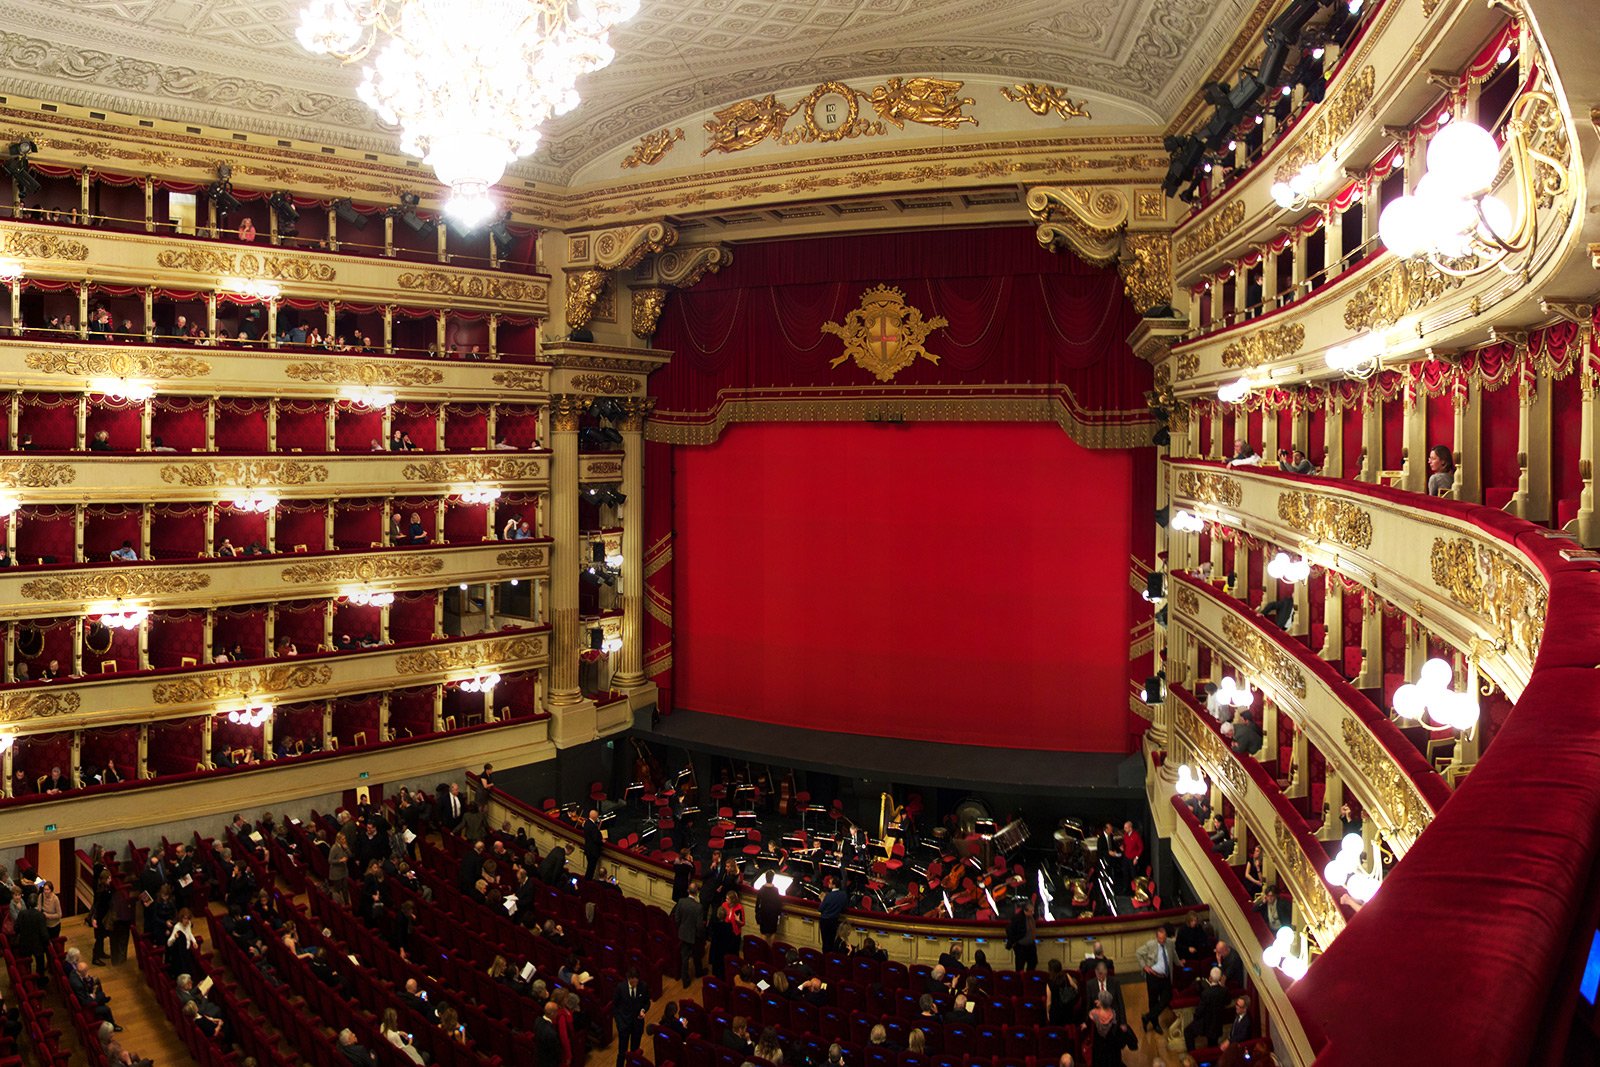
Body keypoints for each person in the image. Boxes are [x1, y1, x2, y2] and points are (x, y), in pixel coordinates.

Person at [1137, 926, 1176, 1032]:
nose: (1162, 941)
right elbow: (1138, 953)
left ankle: (1147, 1017)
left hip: (1165, 977)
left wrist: (1180, 963)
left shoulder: (1170, 943)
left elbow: (1174, 956)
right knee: (1153, 1001)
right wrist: (1144, 966)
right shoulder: (1151, 945)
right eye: (1160, 939)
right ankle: (1155, 1024)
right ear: (1156, 937)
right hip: (1153, 977)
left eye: (1163, 939)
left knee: (1166, 998)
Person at [1185, 967, 1230, 1051]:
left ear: (1210, 978)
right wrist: (1223, 987)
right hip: (1217, 1024)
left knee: (1187, 1032)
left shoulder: (1206, 993)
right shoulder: (1224, 991)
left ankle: (1193, 1055)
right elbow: (1228, 1002)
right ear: (1220, 978)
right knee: (1212, 1046)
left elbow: (1199, 1011)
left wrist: (1195, 1016)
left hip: (1205, 1024)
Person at [611, 968, 649, 1067]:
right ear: (628, 979)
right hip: (624, 1025)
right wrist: (619, 1023)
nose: (635, 984)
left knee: (634, 1053)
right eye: (633, 982)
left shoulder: (643, 986)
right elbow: (615, 1006)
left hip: (637, 1024)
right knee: (622, 1052)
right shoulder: (621, 988)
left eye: (636, 981)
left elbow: (647, 1002)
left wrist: (643, 1010)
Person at [1086, 992, 1135, 1063]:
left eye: (1099, 1000)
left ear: (1102, 1002)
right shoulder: (1113, 1013)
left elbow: (1090, 1015)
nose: (1097, 1001)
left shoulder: (1094, 1013)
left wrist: (1099, 1006)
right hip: (1111, 1043)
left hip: (1099, 1045)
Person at [671, 880, 703, 985]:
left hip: (683, 933)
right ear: (697, 892)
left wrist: (682, 927)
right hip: (694, 935)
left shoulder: (681, 902)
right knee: (697, 956)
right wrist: (699, 934)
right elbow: (699, 925)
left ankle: (685, 979)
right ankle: (698, 973)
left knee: (684, 958)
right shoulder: (698, 907)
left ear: (688, 891)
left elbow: (676, 918)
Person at [818, 877, 849, 952]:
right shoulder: (843, 895)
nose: (828, 884)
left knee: (825, 942)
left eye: (830, 882)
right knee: (832, 941)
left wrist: (822, 900)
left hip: (825, 921)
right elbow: (844, 907)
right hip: (834, 920)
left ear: (834, 885)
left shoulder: (828, 896)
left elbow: (820, 909)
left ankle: (825, 957)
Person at [1005, 900, 1037, 971]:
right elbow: (1009, 930)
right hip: (1021, 946)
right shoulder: (1017, 918)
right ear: (1025, 910)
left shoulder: (1032, 917)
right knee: (1020, 966)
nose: (1033, 913)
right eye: (1031, 911)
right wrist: (1013, 942)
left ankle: (1028, 978)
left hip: (1031, 945)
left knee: (1033, 962)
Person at [755, 870, 783, 938]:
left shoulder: (762, 889)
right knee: (772, 932)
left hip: (763, 913)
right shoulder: (775, 890)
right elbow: (778, 903)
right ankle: (770, 948)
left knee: (763, 932)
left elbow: (757, 903)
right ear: (773, 878)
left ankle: (763, 947)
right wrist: (779, 914)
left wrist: (757, 913)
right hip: (773, 914)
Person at [582, 809, 604, 879]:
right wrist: (601, 840)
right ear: (595, 817)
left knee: (590, 868)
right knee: (591, 870)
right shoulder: (593, 826)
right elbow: (596, 839)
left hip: (588, 849)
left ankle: (587, 881)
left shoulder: (586, 823)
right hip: (593, 851)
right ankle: (587, 882)